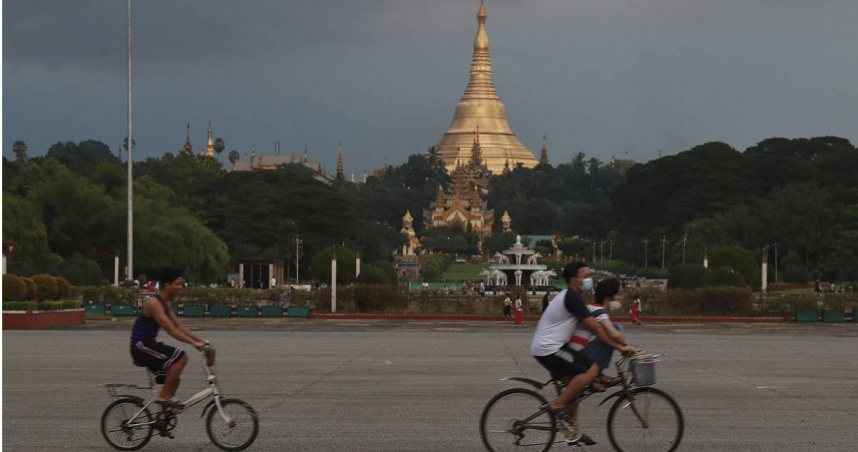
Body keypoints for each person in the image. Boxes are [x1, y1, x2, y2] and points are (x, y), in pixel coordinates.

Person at [531, 263, 634, 445]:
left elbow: (597, 329)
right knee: (591, 369)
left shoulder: (575, 298)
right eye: (585, 276)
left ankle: (573, 431)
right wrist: (621, 348)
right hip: (550, 349)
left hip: (551, 348)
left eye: (589, 275)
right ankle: (557, 405)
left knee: (576, 388)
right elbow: (597, 328)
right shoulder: (572, 298)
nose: (589, 279)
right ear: (573, 280)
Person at [130, 268, 206, 409]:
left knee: (173, 380)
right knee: (181, 357)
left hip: (149, 345)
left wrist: (200, 341)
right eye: (178, 284)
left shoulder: (165, 304)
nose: (181, 288)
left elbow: (178, 325)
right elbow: (171, 330)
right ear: (167, 285)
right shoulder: (154, 303)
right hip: (141, 346)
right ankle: (163, 397)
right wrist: (194, 343)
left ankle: (161, 420)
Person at [578, 279, 630, 388]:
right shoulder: (598, 311)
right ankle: (595, 373)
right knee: (615, 328)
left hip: (580, 351)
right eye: (618, 294)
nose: (621, 298)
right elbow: (613, 334)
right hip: (578, 355)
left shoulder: (593, 308)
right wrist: (629, 347)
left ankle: (596, 372)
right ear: (608, 296)